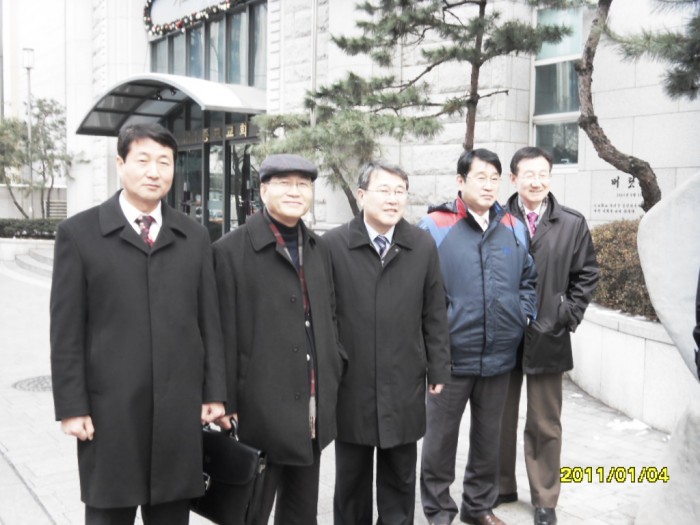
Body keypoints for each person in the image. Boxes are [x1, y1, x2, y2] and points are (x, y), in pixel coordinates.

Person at [50, 123, 227, 525]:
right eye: (143, 160)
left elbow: (209, 322)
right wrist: (72, 407)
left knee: (171, 514)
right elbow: (65, 331)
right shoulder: (79, 234)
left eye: (164, 162)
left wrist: (214, 392)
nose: (154, 171)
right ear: (120, 163)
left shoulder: (194, 236)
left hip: (178, 410)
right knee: (109, 513)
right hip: (110, 411)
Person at [212, 153, 346, 525]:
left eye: (303, 185)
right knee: (250, 511)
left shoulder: (318, 248)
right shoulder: (229, 251)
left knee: (302, 512)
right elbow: (220, 331)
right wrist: (224, 399)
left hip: (311, 403)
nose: (294, 192)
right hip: (257, 408)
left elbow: (330, 314)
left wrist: (335, 363)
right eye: (284, 184)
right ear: (263, 190)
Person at [323, 161, 451, 525]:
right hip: (353, 380)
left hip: (403, 378)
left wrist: (439, 366)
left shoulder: (421, 244)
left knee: (400, 475)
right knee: (351, 478)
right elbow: (326, 315)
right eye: (384, 190)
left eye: (400, 192)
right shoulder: (333, 245)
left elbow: (434, 310)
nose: (393, 199)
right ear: (362, 195)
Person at [419, 148, 537, 525]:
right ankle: (439, 512)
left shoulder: (513, 226)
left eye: (494, 179)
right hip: (450, 359)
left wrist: (521, 315)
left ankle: (479, 507)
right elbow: (418, 289)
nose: (488, 186)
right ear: (461, 181)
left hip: (499, 355)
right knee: (439, 442)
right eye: (480, 177)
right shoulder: (435, 226)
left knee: (489, 441)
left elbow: (528, 280)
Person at [497, 146, 600, 525]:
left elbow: (587, 274)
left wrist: (565, 314)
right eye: (529, 174)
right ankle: (499, 485)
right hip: (502, 335)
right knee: (498, 417)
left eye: (543, 174)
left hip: (549, 334)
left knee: (545, 422)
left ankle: (544, 498)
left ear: (551, 178)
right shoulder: (496, 219)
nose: (536, 181)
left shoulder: (571, 223)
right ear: (514, 179)